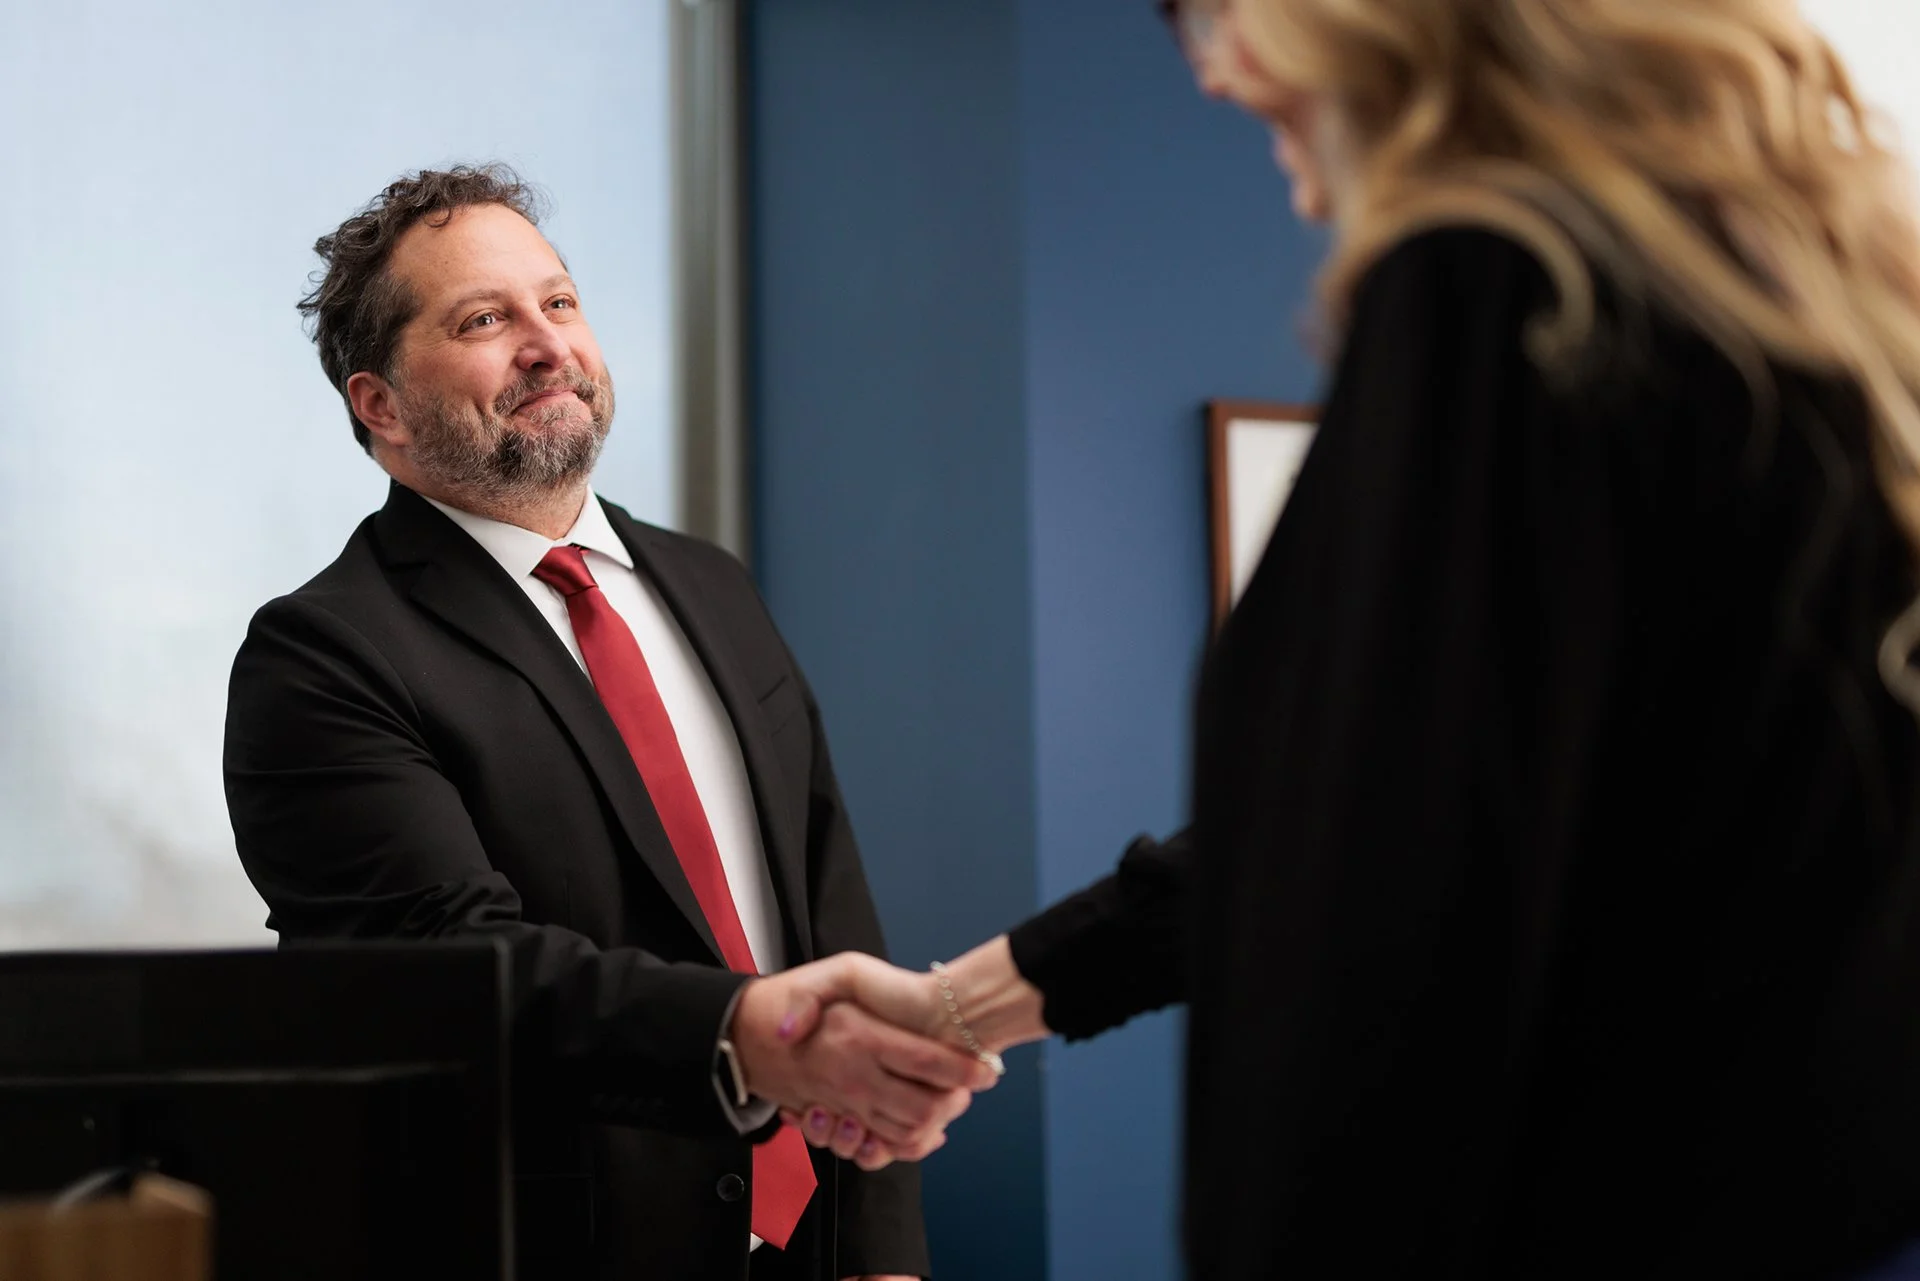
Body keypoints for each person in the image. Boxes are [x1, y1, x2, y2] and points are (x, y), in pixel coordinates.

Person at [777, 1, 1920, 1277]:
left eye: (1209, 16)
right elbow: (1384, 821)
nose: (1212, 77)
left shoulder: (1496, 296)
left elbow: (1372, 974)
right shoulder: (1795, 318)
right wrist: (954, 1004)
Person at [222, 165, 995, 1281]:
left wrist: (881, 1250)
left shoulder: (711, 586)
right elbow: (451, 972)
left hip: (808, 1246)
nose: (546, 344)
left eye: (561, 301)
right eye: (485, 320)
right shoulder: (326, 656)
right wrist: (750, 1038)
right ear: (379, 404)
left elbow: (831, 913)